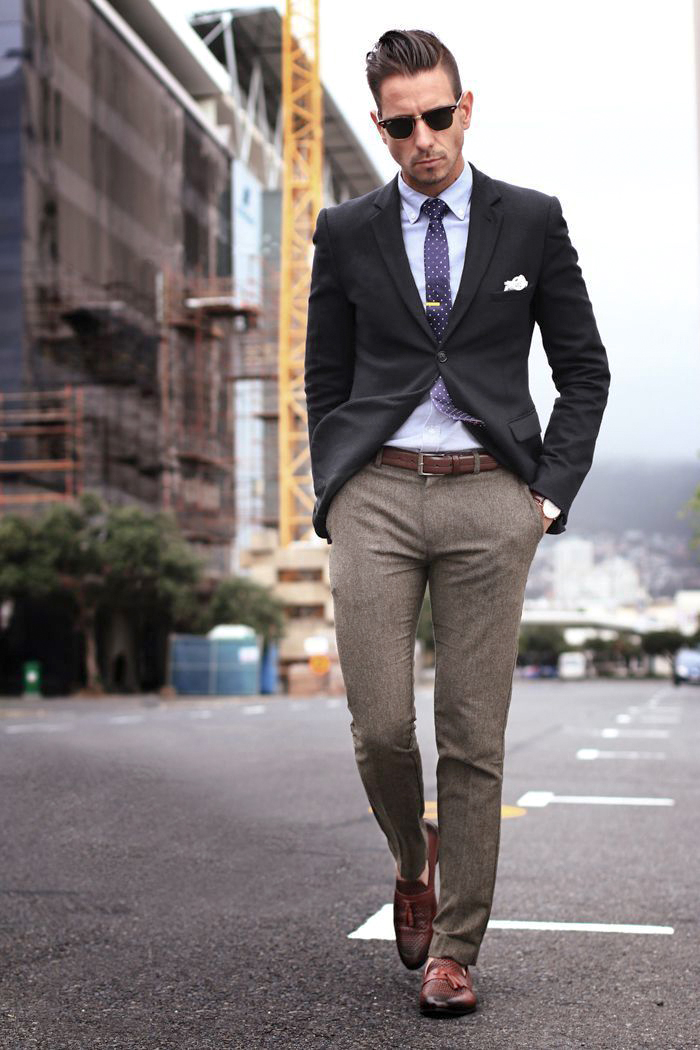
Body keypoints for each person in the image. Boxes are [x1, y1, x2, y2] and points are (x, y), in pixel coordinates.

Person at [304, 28, 610, 1017]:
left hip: (491, 495)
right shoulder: (346, 232)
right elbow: (324, 377)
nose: (422, 140)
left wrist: (545, 497)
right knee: (380, 726)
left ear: (464, 108)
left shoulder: (529, 221)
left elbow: (583, 371)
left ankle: (455, 948)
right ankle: (410, 860)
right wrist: (337, 483)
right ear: (383, 128)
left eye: (437, 117)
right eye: (401, 126)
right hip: (379, 493)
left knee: (473, 737)